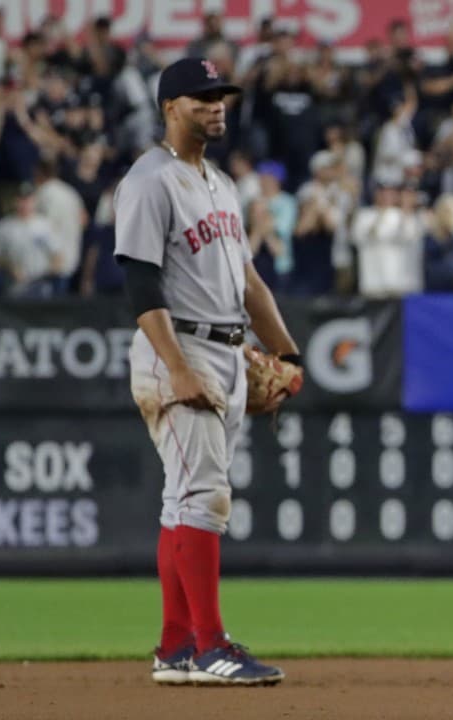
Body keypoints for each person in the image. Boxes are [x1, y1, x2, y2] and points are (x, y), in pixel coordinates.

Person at [114, 57, 301, 687]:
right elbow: (139, 283)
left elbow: (249, 282)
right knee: (205, 498)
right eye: (201, 97)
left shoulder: (220, 183)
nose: (216, 105)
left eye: (220, 95)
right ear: (170, 107)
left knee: (182, 501)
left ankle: (174, 647)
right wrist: (177, 369)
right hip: (181, 347)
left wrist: (288, 354)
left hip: (227, 349)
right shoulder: (149, 180)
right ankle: (211, 645)